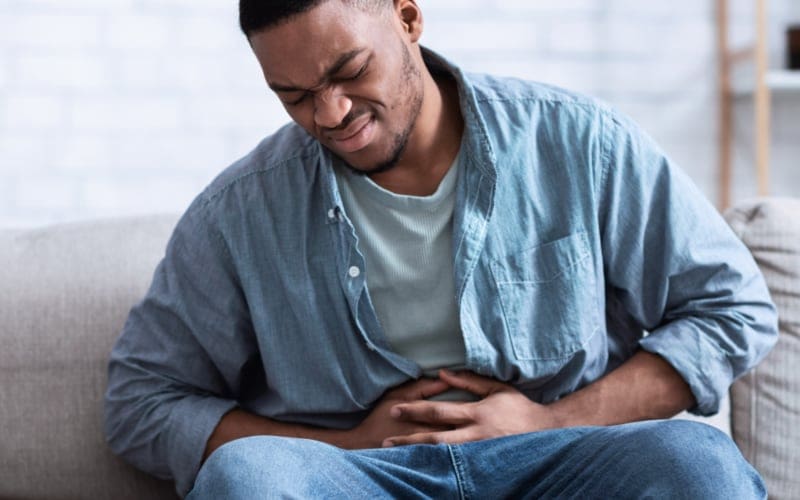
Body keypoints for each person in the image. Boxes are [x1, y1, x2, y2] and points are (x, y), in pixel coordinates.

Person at [104, 0, 778, 498]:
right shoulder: (239, 212)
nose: (332, 115)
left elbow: (732, 309)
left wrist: (550, 419)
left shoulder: (578, 143)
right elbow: (142, 398)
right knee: (247, 479)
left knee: (696, 464)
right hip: (359, 477)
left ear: (407, 17)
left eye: (349, 70)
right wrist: (343, 445)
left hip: (564, 459)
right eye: (297, 96)